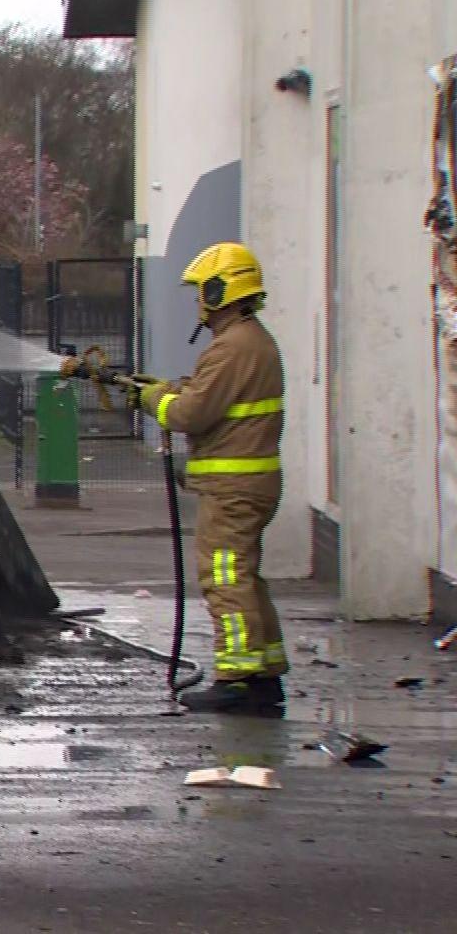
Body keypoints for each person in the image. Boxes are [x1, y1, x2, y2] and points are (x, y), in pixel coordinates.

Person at [139, 242, 288, 713]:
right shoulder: (251, 342)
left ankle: (237, 678)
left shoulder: (233, 348)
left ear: (221, 289)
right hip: (249, 484)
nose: (198, 299)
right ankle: (264, 673)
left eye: (202, 290)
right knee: (245, 576)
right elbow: (210, 396)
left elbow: (190, 413)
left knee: (224, 576)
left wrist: (153, 401)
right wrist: (167, 387)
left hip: (233, 489)